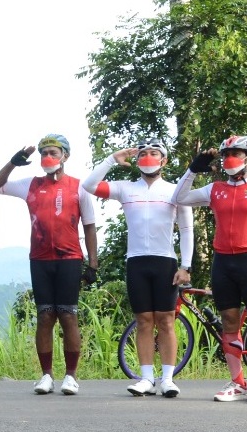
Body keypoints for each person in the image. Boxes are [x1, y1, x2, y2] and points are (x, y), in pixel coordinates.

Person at [173, 135, 247, 405]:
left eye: (236, 153)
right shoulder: (215, 189)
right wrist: (192, 169)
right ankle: (237, 382)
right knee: (230, 323)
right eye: (225, 154)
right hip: (223, 262)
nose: (229, 158)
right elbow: (180, 197)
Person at [82, 139, 193, 398]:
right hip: (137, 261)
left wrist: (186, 266)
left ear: (163, 160)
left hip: (165, 261)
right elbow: (88, 186)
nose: (148, 157)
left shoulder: (176, 190)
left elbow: (187, 229)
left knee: (166, 321)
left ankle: (167, 378)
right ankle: (146, 378)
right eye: (143, 153)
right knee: (143, 321)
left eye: (154, 153)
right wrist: (112, 158)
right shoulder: (125, 188)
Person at [0, 133, 98, 396]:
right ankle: (46, 375)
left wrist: (93, 263)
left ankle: (71, 376)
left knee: (68, 314)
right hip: (40, 259)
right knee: (45, 315)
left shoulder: (79, 186)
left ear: (65, 156)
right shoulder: (31, 184)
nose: (48, 157)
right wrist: (13, 162)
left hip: (70, 258)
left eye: (53, 152)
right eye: (43, 153)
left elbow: (90, 226)